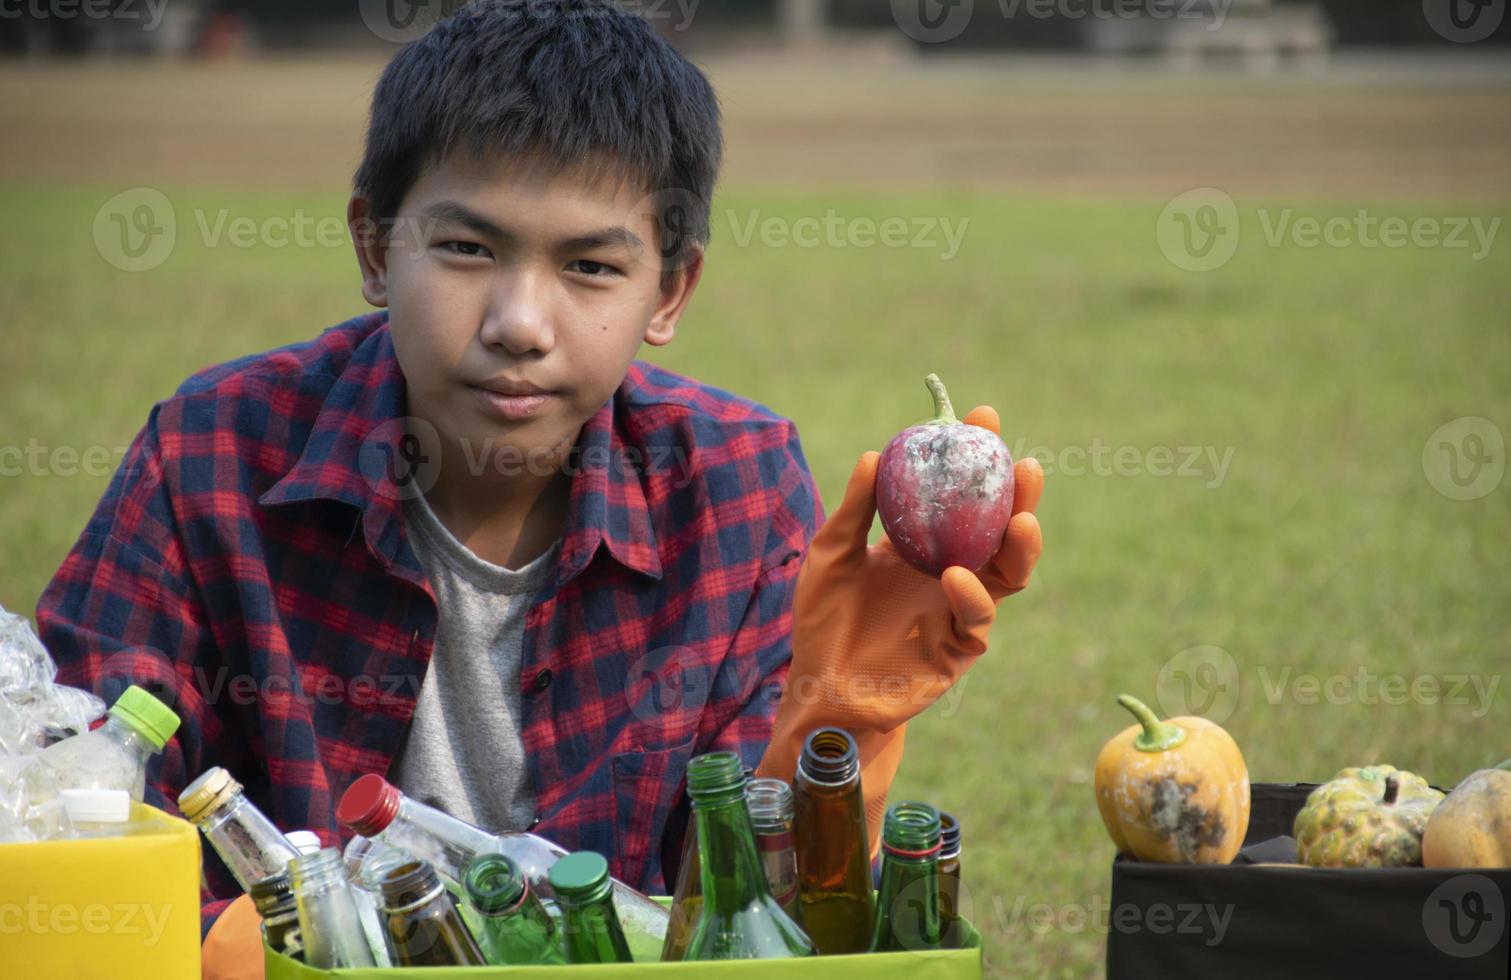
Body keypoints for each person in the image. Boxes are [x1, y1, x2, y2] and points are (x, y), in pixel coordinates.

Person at [35, 3, 1043, 975]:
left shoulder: (732, 484)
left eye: (591, 265)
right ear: (376, 247)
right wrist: (252, 949)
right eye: (468, 248)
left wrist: (835, 728)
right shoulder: (210, 454)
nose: (519, 320)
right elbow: (70, 804)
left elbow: (732, 926)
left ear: (670, 290)